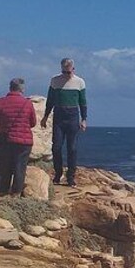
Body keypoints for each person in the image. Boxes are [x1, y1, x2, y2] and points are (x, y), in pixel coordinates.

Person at [41, 58, 87, 187]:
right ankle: (58, 173)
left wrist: (84, 119)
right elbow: (50, 100)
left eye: (68, 72)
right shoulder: (55, 80)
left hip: (72, 116)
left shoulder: (79, 82)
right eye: (64, 72)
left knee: (72, 148)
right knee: (56, 147)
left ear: (73, 69)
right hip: (59, 116)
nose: (66, 75)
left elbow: (82, 102)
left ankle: (70, 177)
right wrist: (45, 116)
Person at [0, 78, 37, 199]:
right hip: (23, 141)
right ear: (22, 89)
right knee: (19, 167)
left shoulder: (0, 102)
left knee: (0, 167)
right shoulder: (27, 103)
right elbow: (32, 123)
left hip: (5, 139)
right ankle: (15, 195)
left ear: (10, 87)